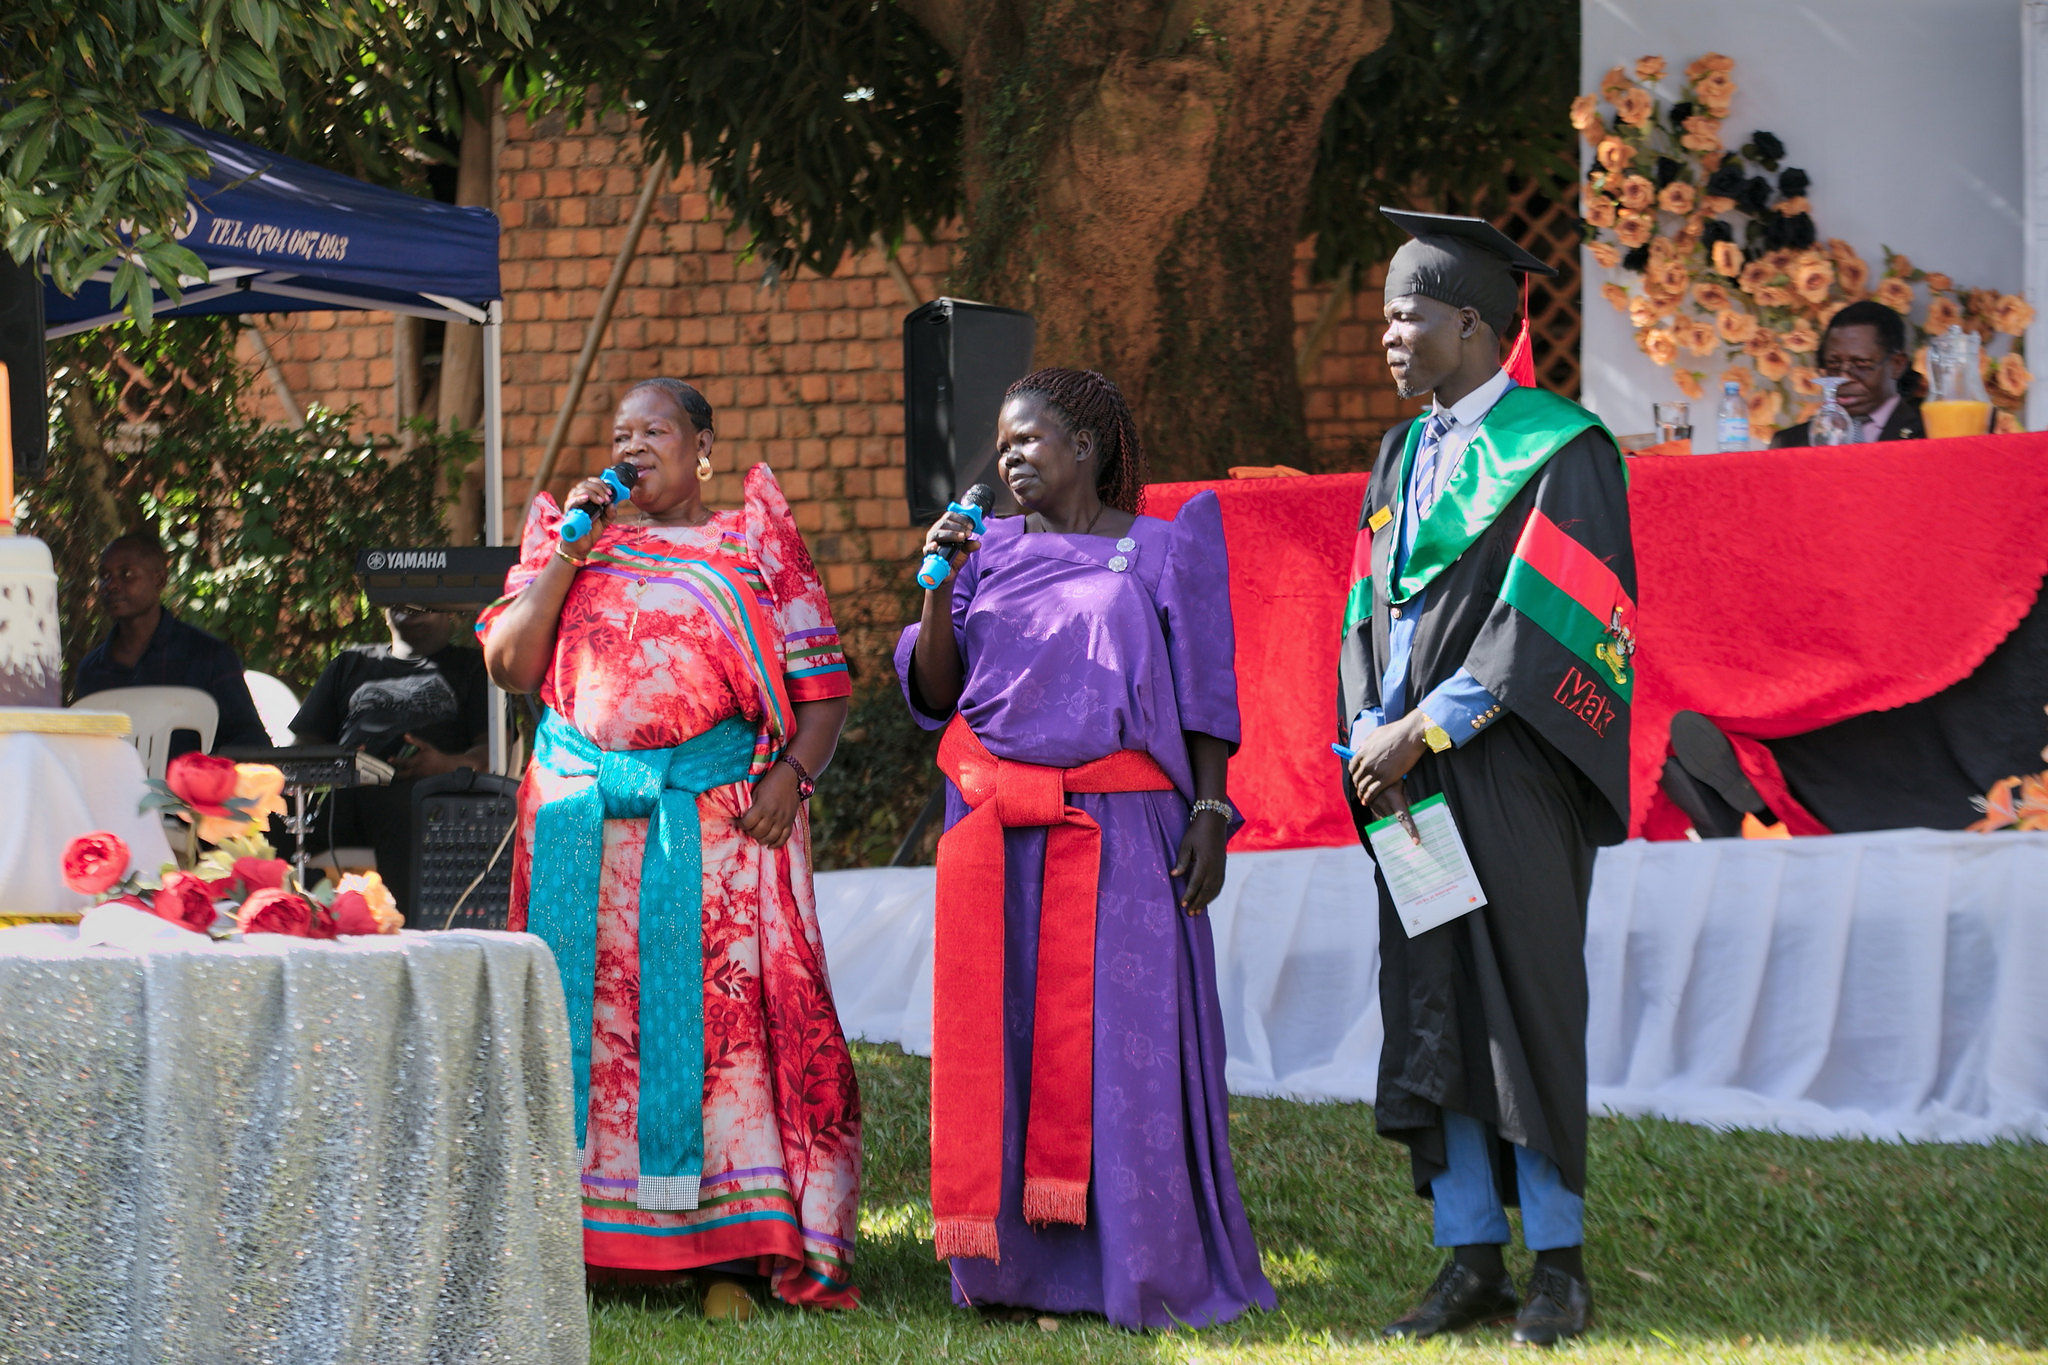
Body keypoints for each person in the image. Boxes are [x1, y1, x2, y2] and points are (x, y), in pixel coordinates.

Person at [898, 367, 1273, 1330]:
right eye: (1003, 442)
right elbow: (936, 692)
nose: (1011, 457)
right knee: (1008, 1047)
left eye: (1029, 439)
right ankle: (1013, 1273)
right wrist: (937, 588)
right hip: (997, 841)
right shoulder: (982, 554)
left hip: (1122, 838)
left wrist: (1212, 811)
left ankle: (1137, 1267)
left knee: (1122, 1052)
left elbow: (1208, 690)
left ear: (1087, 448)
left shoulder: (1160, 547)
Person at [478, 377, 859, 1317]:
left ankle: (725, 1252)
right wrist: (570, 549)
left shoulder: (750, 542)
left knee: (714, 1038)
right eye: (621, 432)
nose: (635, 444)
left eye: (656, 429)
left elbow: (825, 687)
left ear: (704, 448)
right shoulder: (568, 536)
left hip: (714, 835)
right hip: (579, 837)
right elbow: (508, 666)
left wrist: (793, 776)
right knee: (588, 1037)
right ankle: (584, 1245)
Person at [1339, 209, 1634, 1347]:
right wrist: (1367, 725)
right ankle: (1467, 1255)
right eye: (1382, 318)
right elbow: (1368, 602)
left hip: (1509, 772)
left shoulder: (1565, 448)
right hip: (1402, 783)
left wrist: (1428, 724)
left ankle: (1556, 1261)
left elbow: (1554, 620)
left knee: (1521, 1005)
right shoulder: (1399, 450)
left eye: (1404, 315)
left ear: (1470, 323)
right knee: (1433, 1005)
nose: (1388, 337)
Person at [289, 604, 491, 904]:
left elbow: (491, 752)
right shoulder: (349, 663)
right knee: (265, 814)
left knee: (406, 812)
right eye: (402, 597)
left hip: (422, 798)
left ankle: (404, 936)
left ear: (450, 610)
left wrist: (447, 765)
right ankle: (302, 915)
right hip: (342, 796)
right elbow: (302, 746)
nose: (412, 603)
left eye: (424, 599)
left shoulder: (474, 666)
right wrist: (334, 761)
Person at [72, 531, 269, 755]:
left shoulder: (209, 657)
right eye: (104, 576)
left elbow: (251, 742)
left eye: (126, 574)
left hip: (191, 789)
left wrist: (204, 774)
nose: (111, 585)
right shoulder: (92, 670)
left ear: (160, 579)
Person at [1770, 300, 1925, 447]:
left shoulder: (1932, 432)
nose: (1843, 377)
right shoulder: (1791, 442)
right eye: (1833, 364)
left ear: (1897, 365)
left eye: (1861, 364)